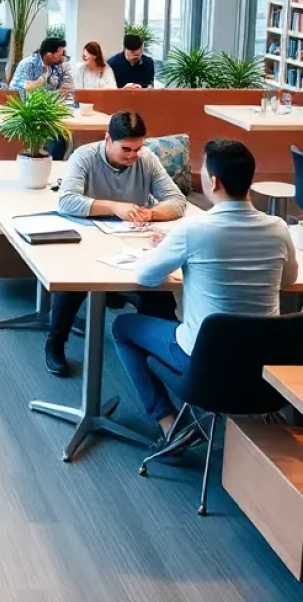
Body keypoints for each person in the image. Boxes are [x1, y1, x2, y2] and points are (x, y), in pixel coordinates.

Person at [115, 139, 297, 449]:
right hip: (266, 365)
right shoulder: (279, 228)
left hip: (203, 361)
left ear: (213, 181)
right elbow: (289, 279)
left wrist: (171, 251)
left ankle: (168, 421)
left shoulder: (194, 231)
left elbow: (145, 276)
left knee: (123, 327)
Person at [46, 111, 186, 377]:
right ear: (108, 139)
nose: (133, 156)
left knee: (158, 288)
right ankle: (55, 344)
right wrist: (114, 207)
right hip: (89, 238)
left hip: (132, 239)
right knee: (73, 282)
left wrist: (150, 213)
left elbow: (177, 201)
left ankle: (163, 353)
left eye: (137, 148)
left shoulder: (147, 159)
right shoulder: (84, 157)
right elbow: (66, 202)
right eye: (126, 149)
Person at [9, 36, 73, 160]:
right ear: (49, 55)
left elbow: (58, 90)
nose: (62, 58)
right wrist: (43, 80)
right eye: (59, 55)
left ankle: (54, 166)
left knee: (64, 138)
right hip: (26, 112)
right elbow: (28, 89)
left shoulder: (56, 66)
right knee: (56, 140)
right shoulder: (29, 64)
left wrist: (62, 91)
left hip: (46, 111)